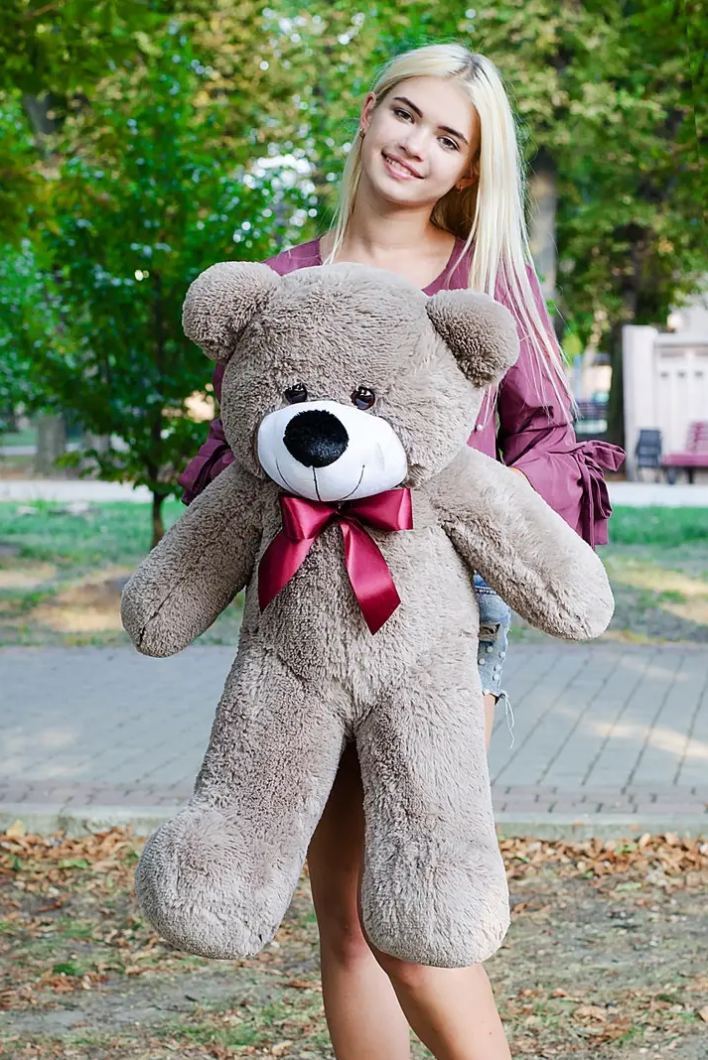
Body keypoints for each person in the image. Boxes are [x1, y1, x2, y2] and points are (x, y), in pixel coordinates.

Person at [177, 42, 624, 1060]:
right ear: (371, 111)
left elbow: (549, 438)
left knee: (415, 923)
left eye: (450, 138)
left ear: (470, 169)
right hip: (304, 616)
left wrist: (454, 509)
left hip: (439, 614)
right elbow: (238, 450)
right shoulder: (285, 280)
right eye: (408, 115)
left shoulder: (489, 283)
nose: (418, 145)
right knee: (344, 922)